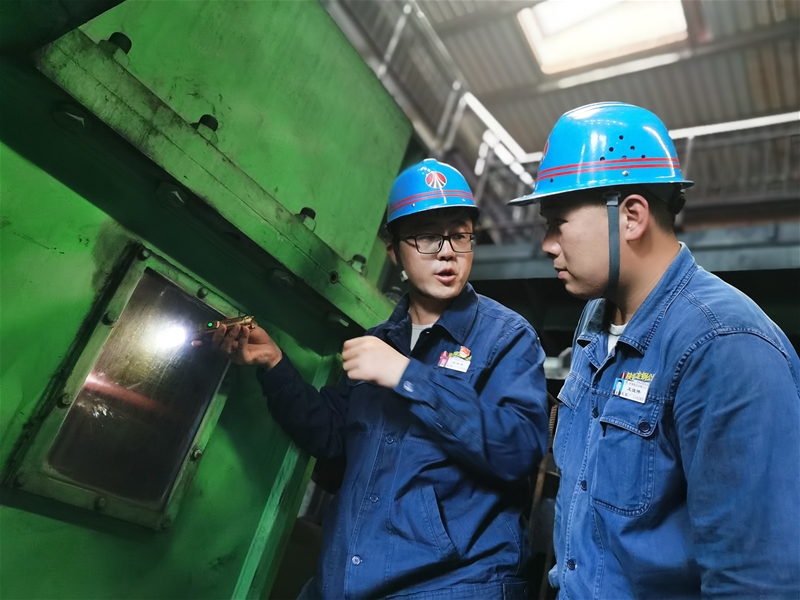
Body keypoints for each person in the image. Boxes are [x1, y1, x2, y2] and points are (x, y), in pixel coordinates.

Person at [213, 159, 550, 599]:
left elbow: (518, 450)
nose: (447, 251)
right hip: (348, 580)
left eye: (460, 234)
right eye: (427, 237)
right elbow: (333, 439)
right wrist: (275, 364)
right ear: (394, 252)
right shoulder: (379, 341)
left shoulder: (506, 336)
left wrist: (408, 376)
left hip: (450, 586)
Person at [509, 102, 800, 598]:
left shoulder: (726, 345)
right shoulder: (595, 320)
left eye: (558, 222)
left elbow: (756, 579)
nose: (547, 244)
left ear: (631, 217)